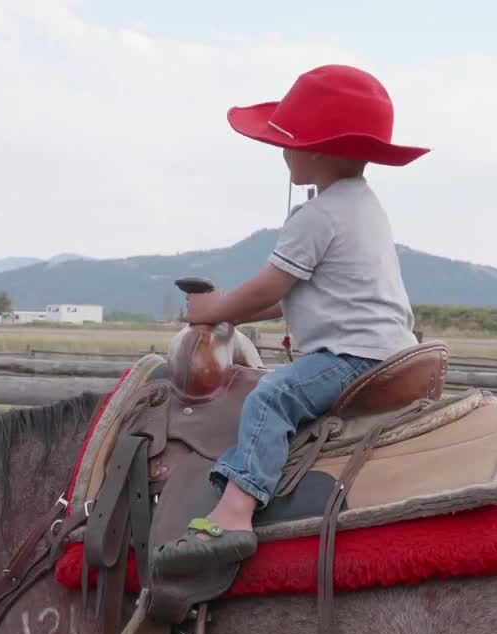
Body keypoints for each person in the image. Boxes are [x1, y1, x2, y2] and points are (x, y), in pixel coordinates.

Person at [152, 63, 430, 576]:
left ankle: (236, 510)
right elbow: (286, 299)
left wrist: (214, 310)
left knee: (271, 398)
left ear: (316, 149)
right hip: (389, 347)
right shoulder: (362, 207)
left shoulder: (316, 217)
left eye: (287, 142)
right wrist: (228, 309)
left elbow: (271, 286)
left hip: (353, 356)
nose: (282, 153)